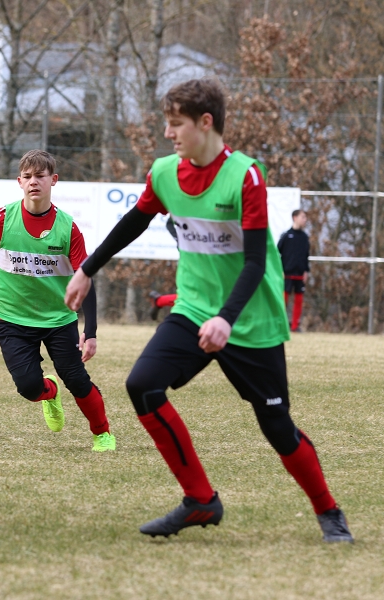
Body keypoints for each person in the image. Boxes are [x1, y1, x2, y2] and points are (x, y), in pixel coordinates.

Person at [64, 78, 353, 542]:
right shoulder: (164, 173)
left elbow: (257, 262)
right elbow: (133, 223)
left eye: (176, 124)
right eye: (166, 123)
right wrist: (87, 269)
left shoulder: (245, 176)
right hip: (195, 308)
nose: (167, 133)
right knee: (142, 385)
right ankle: (200, 500)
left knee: (278, 427)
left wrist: (227, 318)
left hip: (250, 319)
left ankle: (329, 511)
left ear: (206, 123)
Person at [0, 150, 116, 452]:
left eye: (41, 176)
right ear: (19, 181)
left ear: (53, 180)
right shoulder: (2, 219)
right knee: (29, 388)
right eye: (28, 176)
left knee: (77, 379)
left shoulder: (67, 227)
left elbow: (85, 279)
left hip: (59, 320)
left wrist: (92, 330)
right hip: (12, 320)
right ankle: (50, 393)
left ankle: (102, 434)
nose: (34, 182)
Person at [277, 209, 310, 332]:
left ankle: (295, 326)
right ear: (294, 218)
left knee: (299, 300)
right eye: (303, 217)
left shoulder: (304, 237)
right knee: (283, 300)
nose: (305, 220)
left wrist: (306, 271)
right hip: (287, 274)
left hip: (300, 275)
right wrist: (280, 269)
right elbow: (277, 253)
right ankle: (281, 325)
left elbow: (306, 255)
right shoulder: (286, 236)